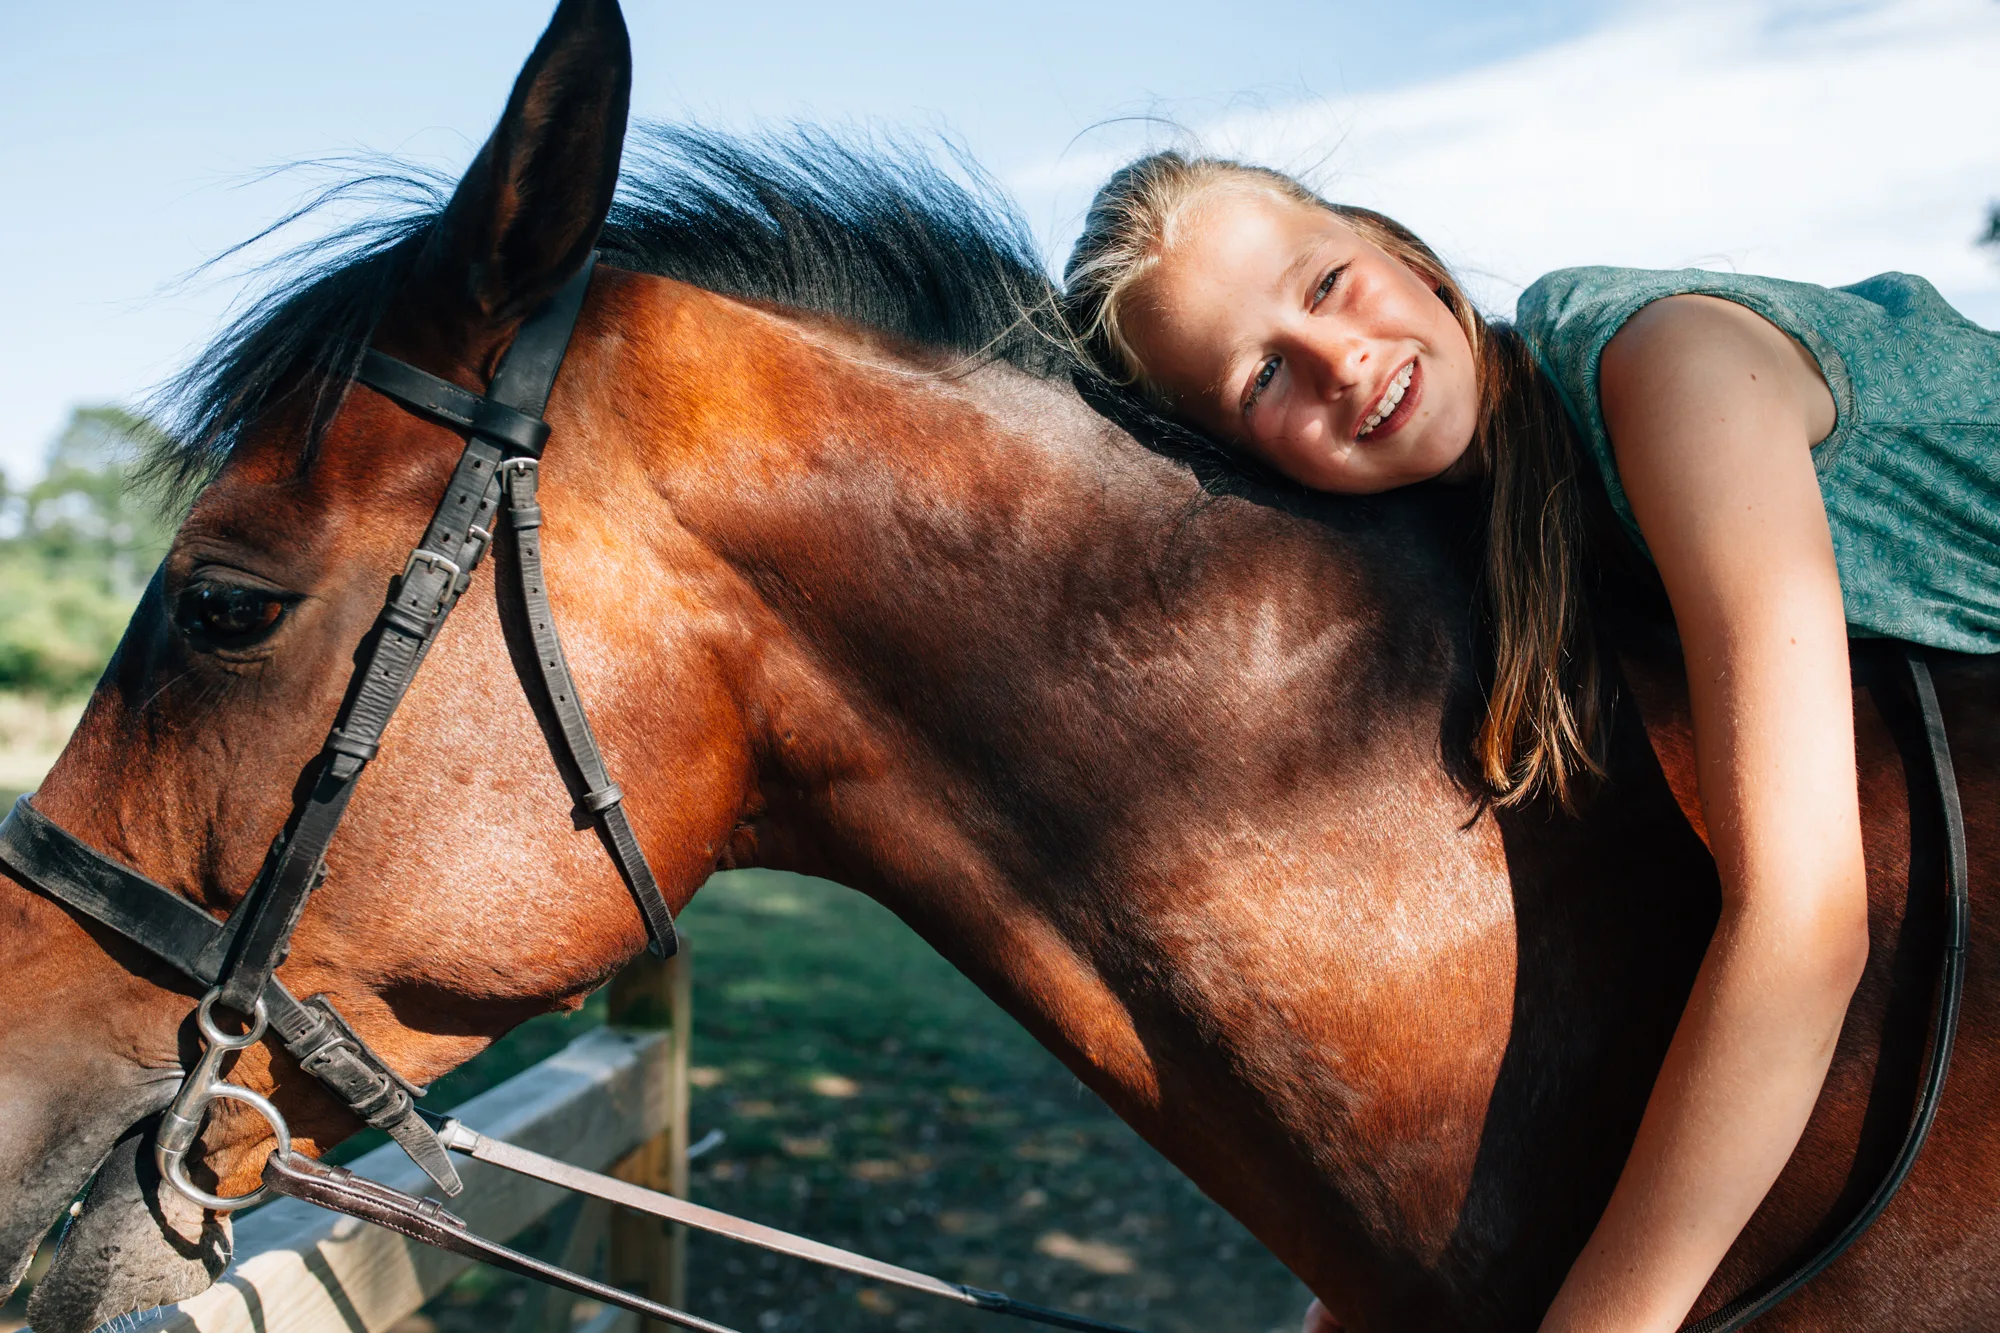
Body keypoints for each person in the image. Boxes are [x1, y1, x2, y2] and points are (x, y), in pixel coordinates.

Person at [1061, 153, 2000, 1332]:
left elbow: (1804, 927)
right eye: (1261, 380)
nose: (1339, 359)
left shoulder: (1669, 371)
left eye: (1327, 284)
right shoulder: (1490, 531)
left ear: (1399, 252)